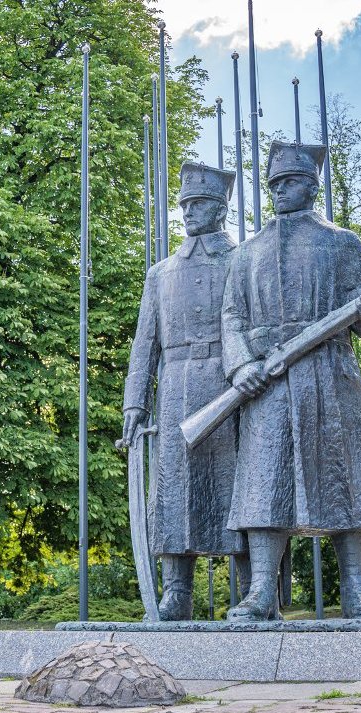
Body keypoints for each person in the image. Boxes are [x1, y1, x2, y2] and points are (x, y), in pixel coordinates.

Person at [221, 141, 361, 621]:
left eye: (290, 181)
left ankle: (356, 591)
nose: (279, 190)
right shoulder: (247, 252)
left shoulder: (342, 242)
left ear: (312, 185)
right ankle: (260, 594)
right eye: (273, 183)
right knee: (263, 482)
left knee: (346, 481)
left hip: (330, 373)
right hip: (268, 379)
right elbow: (231, 318)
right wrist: (240, 366)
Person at [123, 162, 248, 620]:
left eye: (199, 204)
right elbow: (144, 344)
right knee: (175, 490)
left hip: (228, 382)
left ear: (220, 209)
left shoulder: (243, 260)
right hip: (174, 389)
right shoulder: (160, 273)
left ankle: (253, 589)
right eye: (185, 205)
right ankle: (177, 590)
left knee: (236, 486)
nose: (189, 213)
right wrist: (135, 402)